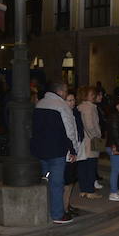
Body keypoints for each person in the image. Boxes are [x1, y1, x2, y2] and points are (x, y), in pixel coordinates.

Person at [30, 82, 79, 223]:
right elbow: (70, 131)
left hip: (40, 151)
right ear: (62, 91)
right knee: (57, 183)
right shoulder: (62, 106)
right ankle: (58, 214)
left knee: (45, 180)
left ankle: (44, 210)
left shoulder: (39, 104)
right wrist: (73, 149)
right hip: (57, 151)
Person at [76, 86, 102, 200]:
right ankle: (90, 190)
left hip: (83, 141)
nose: (94, 96)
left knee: (83, 166)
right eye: (91, 94)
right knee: (91, 166)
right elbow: (90, 125)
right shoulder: (89, 107)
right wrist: (97, 135)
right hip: (91, 140)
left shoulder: (80, 107)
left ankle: (84, 190)